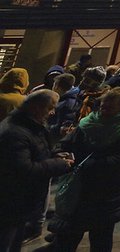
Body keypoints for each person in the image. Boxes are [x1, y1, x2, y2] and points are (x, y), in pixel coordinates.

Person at [48, 87, 120, 252]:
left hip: (110, 188)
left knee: (101, 237)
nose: (103, 110)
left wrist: (99, 164)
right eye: (102, 106)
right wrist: (60, 151)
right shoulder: (90, 121)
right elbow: (68, 141)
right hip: (82, 185)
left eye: (109, 108)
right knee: (69, 235)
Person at [0, 90, 73, 252]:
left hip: (20, 202)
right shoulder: (15, 132)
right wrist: (58, 164)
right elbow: (23, 169)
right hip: (10, 201)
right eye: (50, 108)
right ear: (36, 107)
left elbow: (34, 151)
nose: (53, 112)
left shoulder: (30, 125)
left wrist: (53, 155)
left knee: (13, 241)